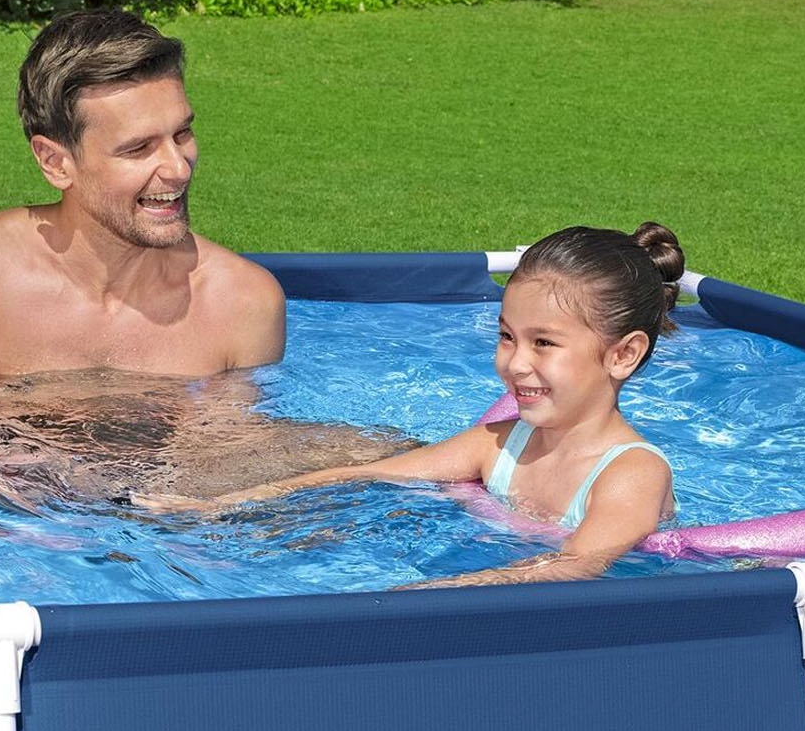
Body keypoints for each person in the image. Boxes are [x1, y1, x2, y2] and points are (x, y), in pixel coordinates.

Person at [148, 224, 681, 583]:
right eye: (506, 336)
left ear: (623, 354)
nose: (515, 363)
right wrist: (224, 505)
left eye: (543, 343)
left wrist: (432, 595)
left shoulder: (631, 474)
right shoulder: (501, 444)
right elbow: (366, 473)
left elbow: (574, 567)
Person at [0, 8, 284, 377]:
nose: (179, 168)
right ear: (55, 162)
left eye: (182, 134)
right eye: (139, 148)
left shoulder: (242, 304)